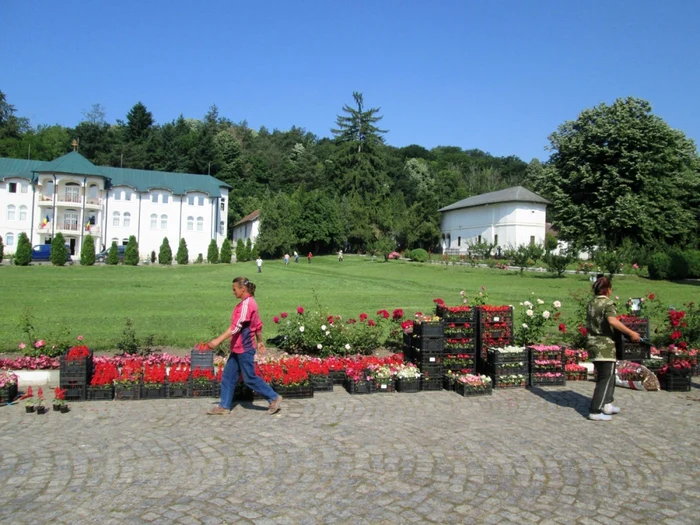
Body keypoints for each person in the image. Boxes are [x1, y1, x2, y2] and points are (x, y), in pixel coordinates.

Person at [206, 277, 282, 415]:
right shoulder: (248, 303)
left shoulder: (247, 305)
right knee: (228, 377)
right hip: (238, 348)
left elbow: (236, 328)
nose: (233, 292)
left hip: (244, 348)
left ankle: (274, 397)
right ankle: (224, 407)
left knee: (249, 378)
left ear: (243, 289)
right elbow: (258, 325)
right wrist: (260, 341)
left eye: (234, 289)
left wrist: (217, 340)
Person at [585, 276, 640, 421]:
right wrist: (630, 332)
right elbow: (612, 321)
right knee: (605, 377)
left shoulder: (591, 302)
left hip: (592, 342)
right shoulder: (608, 303)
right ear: (608, 290)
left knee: (609, 375)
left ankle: (607, 404)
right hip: (604, 344)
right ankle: (595, 410)